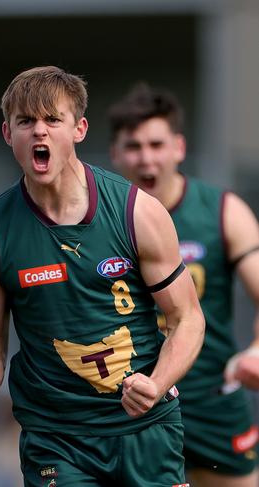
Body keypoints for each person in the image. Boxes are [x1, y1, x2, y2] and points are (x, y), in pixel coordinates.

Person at [0, 66, 205, 486]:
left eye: (53, 119)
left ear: (79, 129)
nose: (39, 132)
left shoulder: (137, 212)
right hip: (57, 438)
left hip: (144, 429)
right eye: (26, 121)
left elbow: (187, 319)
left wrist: (156, 384)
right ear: (8, 134)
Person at [109, 83, 259, 487]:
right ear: (115, 154)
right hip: (130, 408)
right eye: (134, 146)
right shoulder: (98, 220)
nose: (147, 158)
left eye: (157, 144)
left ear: (178, 147)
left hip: (212, 400)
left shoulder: (223, 211)